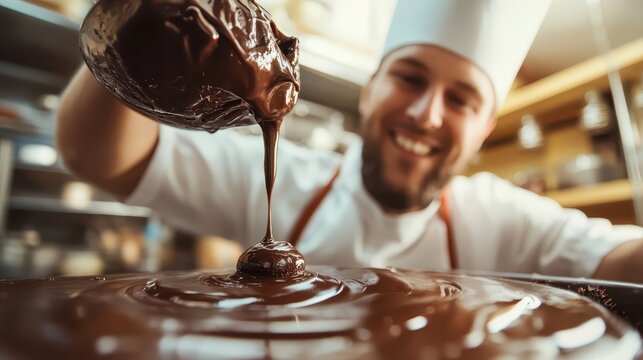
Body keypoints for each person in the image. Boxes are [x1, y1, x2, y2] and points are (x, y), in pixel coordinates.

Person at [57, 0, 643, 283]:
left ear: (484, 129)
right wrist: (148, 20)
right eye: (410, 78)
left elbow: (620, 260)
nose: (425, 114)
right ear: (370, 90)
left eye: (461, 99)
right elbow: (96, 154)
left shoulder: (506, 220)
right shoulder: (288, 179)